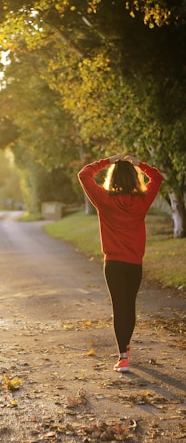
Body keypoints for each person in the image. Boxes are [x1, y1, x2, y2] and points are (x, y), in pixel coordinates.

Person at [78, 154, 163, 372]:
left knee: (119, 307)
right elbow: (157, 177)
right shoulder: (142, 201)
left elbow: (84, 174)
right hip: (134, 263)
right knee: (129, 305)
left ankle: (123, 356)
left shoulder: (104, 199)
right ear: (134, 179)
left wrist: (107, 161)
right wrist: (139, 164)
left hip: (113, 264)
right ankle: (125, 347)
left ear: (112, 178)